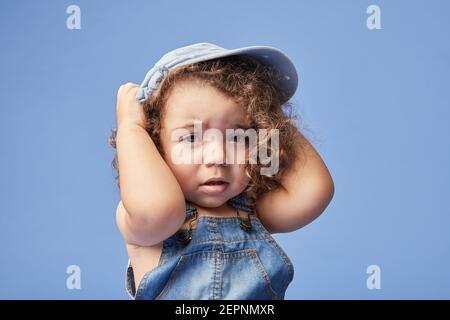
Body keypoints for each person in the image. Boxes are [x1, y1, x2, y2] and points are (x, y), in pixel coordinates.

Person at [109, 42, 334, 300]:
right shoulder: (147, 220)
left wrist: (270, 122)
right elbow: (161, 212)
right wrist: (131, 128)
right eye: (191, 138)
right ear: (155, 147)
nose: (219, 156)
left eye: (238, 137)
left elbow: (314, 191)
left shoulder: (251, 212)